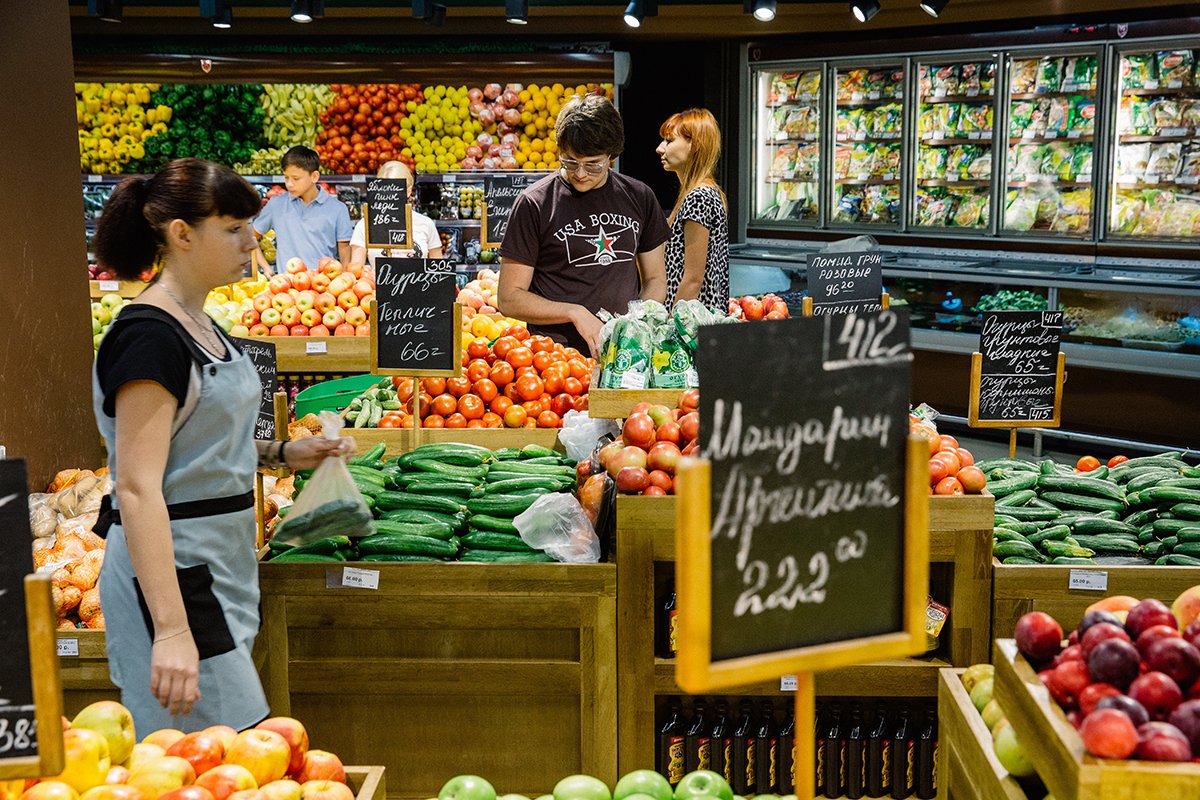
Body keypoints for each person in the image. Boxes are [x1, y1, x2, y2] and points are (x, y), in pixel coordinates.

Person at [91, 158, 354, 733]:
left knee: (218, 753)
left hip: (219, 565)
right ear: (182, 234)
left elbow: (199, 446)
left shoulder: (202, 325)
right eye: (232, 228)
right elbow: (137, 488)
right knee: (213, 752)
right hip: (177, 576)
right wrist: (172, 628)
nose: (251, 241)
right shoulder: (148, 339)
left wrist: (285, 455)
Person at [498, 94, 670, 358]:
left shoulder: (639, 196)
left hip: (624, 353)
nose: (579, 173)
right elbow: (509, 298)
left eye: (593, 165)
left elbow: (656, 278)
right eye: (570, 161)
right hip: (555, 358)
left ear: (612, 155)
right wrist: (574, 312)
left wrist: (635, 324)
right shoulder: (535, 203)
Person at [656, 108, 729, 310]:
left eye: (669, 141)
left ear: (695, 145)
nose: (660, 149)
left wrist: (670, 329)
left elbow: (693, 279)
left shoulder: (699, 197)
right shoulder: (696, 194)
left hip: (689, 330)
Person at [252, 145, 353, 274]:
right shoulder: (276, 205)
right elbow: (251, 237)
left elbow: (345, 251)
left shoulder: (338, 209)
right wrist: (266, 268)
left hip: (324, 287)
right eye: (286, 178)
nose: (289, 184)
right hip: (287, 288)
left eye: (295, 179)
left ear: (314, 177)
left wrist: (344, 280)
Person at [348, 160, 443, 276]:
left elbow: (439, 272)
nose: (390, 196)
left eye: (396, 190)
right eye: (385, 190)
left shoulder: (426, 224)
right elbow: (355, 272)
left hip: (418, 292)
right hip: (377, 292)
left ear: (409, 190)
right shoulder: (365, 225)